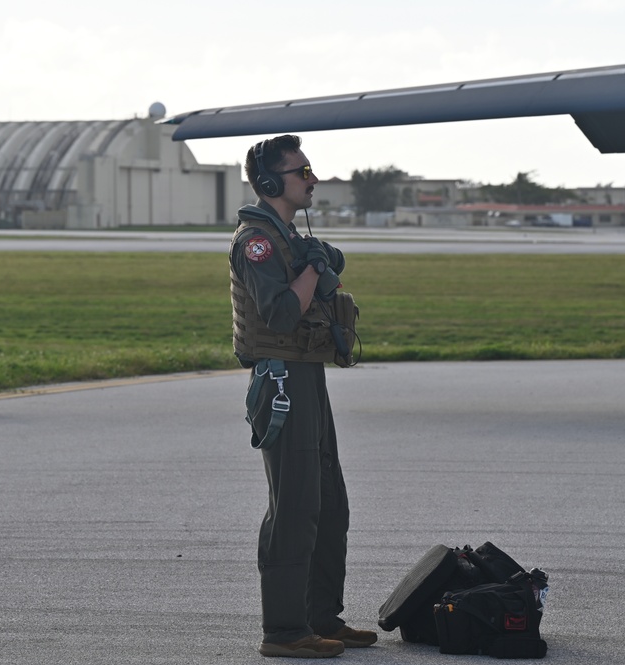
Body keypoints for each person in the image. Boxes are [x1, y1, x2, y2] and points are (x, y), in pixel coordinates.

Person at [230, 135, 374, 658]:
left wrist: (317, 260)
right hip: (282, 379)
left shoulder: (287, 235)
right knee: (294, 504)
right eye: (302, 171)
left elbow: (326, 274)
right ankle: (285, 630)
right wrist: (312, 267)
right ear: (270, 183)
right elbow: (282, 314)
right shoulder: (258, 241)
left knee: (327, 502)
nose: (312, 178)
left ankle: (321, 617)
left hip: (308, 374)